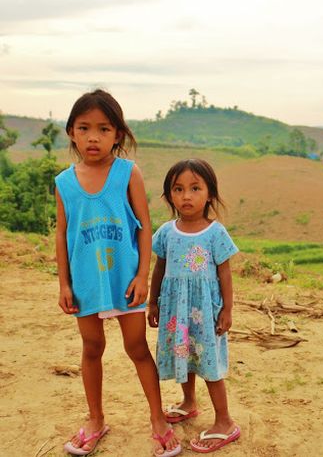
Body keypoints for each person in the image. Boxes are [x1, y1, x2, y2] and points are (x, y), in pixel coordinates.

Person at [55, 89, 181, 457]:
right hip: (85, 282)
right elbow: (62, 236)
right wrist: (64, 282)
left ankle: (158, 419)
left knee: (137, 347)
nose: (93, 137)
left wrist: (142, 276)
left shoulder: (128, 172)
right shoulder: (64, 183)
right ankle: (95, 419)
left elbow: (144, 226)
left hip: (125, 279)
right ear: (71, 133)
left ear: (118, 135)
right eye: (84, 128)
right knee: (92, 347)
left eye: (104, 129)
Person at [148, 158, 241, 453]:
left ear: (209, 193)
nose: (186, 196)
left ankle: (225, 422)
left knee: (209, 364)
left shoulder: (215, 233)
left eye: (195, 188)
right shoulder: (166, 232)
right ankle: (189, 402)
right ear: (169, 195)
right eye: (178, 189)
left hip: (205, 311)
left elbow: (224, 273)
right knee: (183, 355)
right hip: (176, 311)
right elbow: (159, 269)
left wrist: (227, 309)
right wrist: (153, 302)